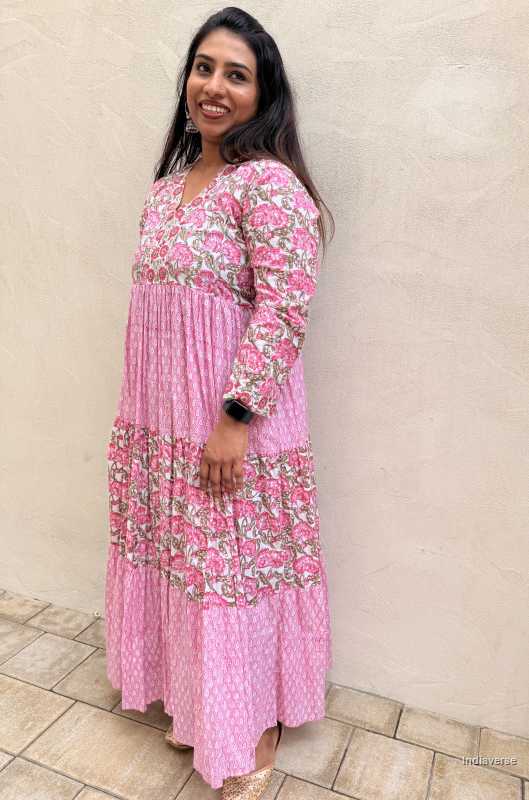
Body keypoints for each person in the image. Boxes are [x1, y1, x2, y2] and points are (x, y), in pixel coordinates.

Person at [105, 6, 335, 798]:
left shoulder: (267, 185)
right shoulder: (166, 190)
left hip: (232, 426)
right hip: (162, 423)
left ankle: (256, 720)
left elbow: (284, 309)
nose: (214, 86)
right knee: (189, 566)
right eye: (204, 68)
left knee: (236, 572)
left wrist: (234, 420)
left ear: (262, 94)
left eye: (236, 74)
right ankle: (200, 702)